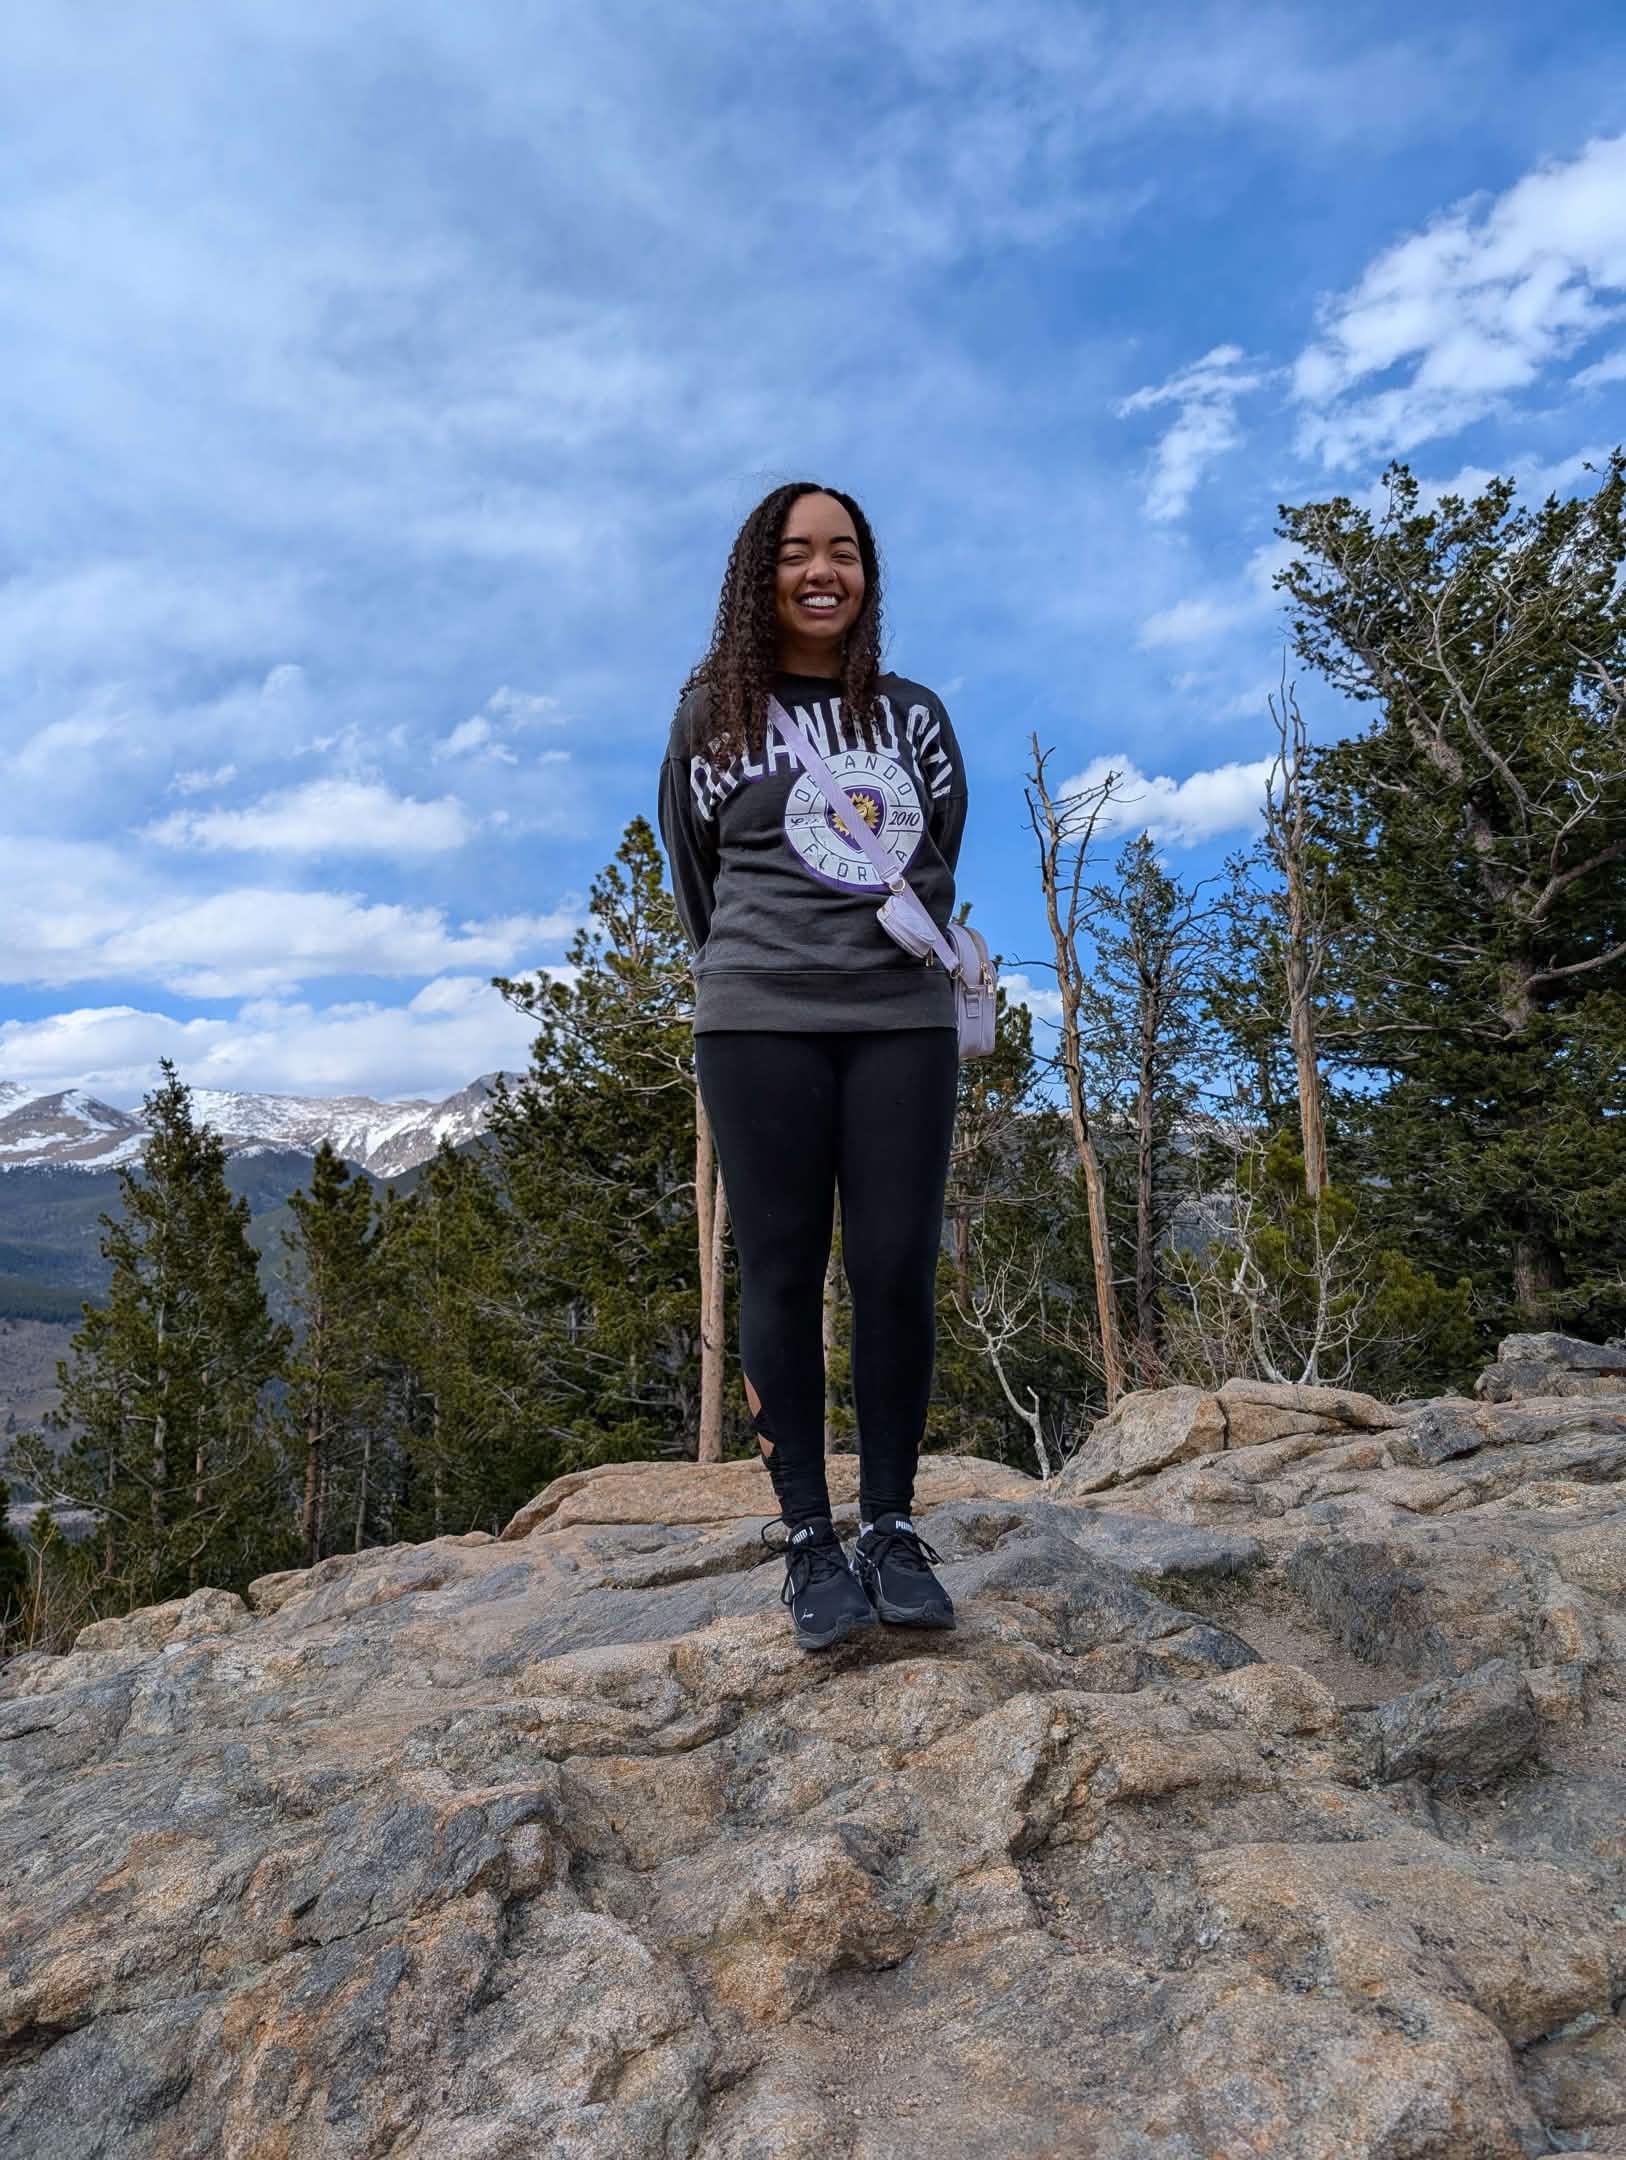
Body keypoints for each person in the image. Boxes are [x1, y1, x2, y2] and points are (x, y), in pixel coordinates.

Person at [658, 480, 967, 1651]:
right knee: (781, 1268)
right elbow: (697, 872)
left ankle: (891, 1527)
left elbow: (933, 853)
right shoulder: (711, 721)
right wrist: (761, 968)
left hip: (901, 1019)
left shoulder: (914, 718)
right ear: (761, 575)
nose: (822, 570)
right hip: (757, 1019)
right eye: (797, 553)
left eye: (844, 552)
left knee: (893, 1267)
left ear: (866, 576)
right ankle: (808, 1541)